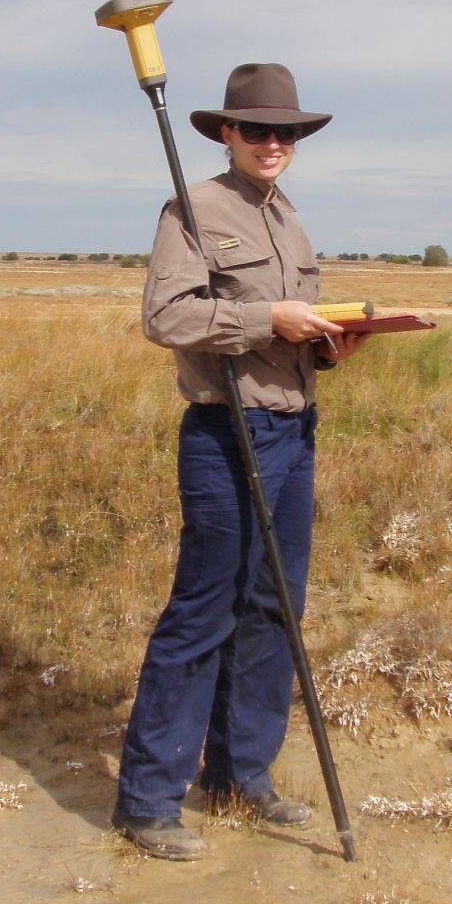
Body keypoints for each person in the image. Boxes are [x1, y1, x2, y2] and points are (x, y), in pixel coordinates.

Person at [112, 62, 366, 860]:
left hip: (295, 433)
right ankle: (149, 802)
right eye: (256, 129)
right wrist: (267, 317)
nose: (272, 144)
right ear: (226, 132)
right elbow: (166, 315)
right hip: (228, 436)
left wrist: (329, 342)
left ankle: (237, 776)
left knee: (274, 608)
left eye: (285, 132)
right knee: (203, 612)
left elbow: (290, 333)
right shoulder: (194, 209)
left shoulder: (288, 217)